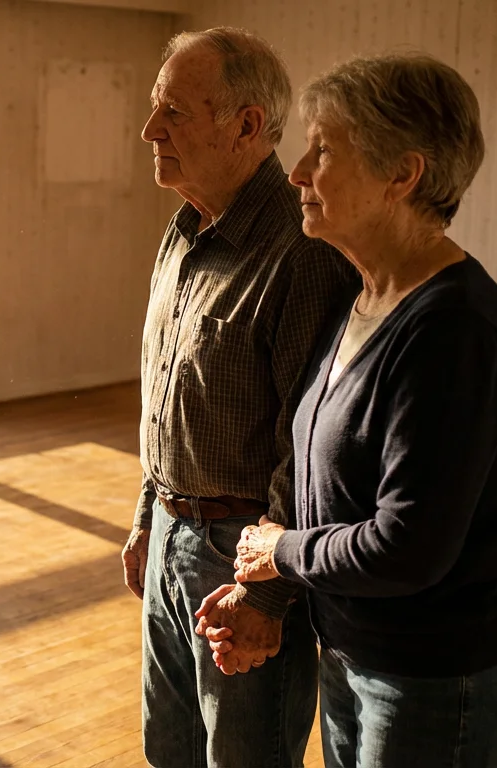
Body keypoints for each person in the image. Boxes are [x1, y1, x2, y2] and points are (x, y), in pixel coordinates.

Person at [215, 53, 497, 767]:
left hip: (434, 670)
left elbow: (409, 545)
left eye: (324, 148)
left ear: (403, 175)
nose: (297, 171)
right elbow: (323, 480)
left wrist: (280, 555)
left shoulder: (453, 329)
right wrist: (264, 595)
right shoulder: (364, 297)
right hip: (357, 649)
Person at [123, 27, 355, 767]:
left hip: (242, 558)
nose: (149, 129)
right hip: (168, 532)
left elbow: (310, 446)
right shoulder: (186, 227)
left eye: (175, 112)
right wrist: (146, 517)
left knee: (245, 758)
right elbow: (167, 392)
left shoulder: (302, 251)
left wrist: (265, 596)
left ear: (247, 125)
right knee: (172, 751)